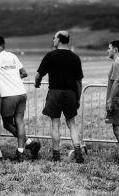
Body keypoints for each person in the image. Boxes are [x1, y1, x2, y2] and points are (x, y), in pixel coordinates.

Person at [35, 30, 84, 163]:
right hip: (71, 93)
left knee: (55, 124)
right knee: (72, 123)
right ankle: (78, 153)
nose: (53, 40)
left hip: (55, 92)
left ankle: (56, 155)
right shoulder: (75, 57)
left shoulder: (50, 56)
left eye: (54, 38)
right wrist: (77, 98)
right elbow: (78, 82)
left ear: (58, 40)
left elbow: (39, 74)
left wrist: (37, 84)